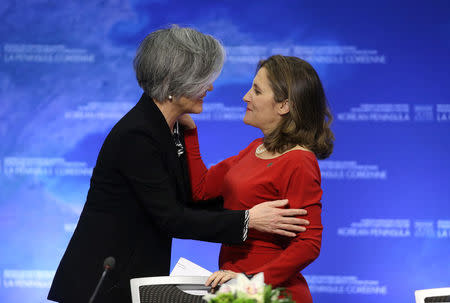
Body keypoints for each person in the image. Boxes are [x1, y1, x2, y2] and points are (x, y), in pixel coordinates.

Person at [47, 27, 309, 303]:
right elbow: (171, 216)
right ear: (174, 81)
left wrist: (249, 212)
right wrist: (248, 219)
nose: (209, 87)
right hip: (104, 285)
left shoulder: (168, 129)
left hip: (131, 280)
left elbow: (190, 199)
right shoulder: (137, 134)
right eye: (203, 79)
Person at [180, 55, 334, 303]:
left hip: (269, 293)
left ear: (284, 106)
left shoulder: (299, 161)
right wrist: (189, 132)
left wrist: (250, 282)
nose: (246, 96)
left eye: (257, 91)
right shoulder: (255, 148)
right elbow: (201, 190)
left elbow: (309, 244)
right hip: (237, 289)